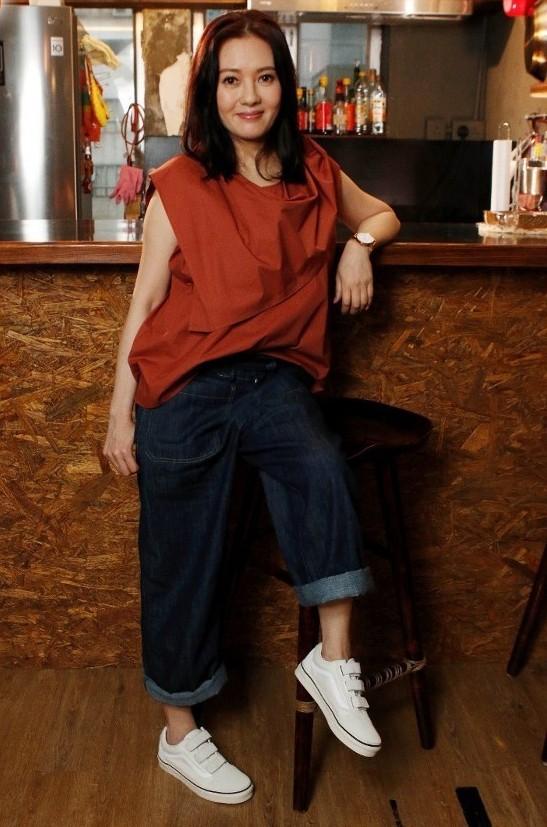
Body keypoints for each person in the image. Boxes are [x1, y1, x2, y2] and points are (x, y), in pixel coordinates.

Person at [103, 9, 400, 806]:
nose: (248, 95)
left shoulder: (313, 168)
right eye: (230, 79)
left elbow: (381, 213)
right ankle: (179, 733)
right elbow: (144, 305)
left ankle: (333, 661)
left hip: (270, 379)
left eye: (263, 77)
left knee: (322, 466)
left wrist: (357, 246)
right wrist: (118, 413)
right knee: (180, 558)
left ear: (283, 86)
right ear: (210, 90)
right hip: (184, 384)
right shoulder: (180, 183)